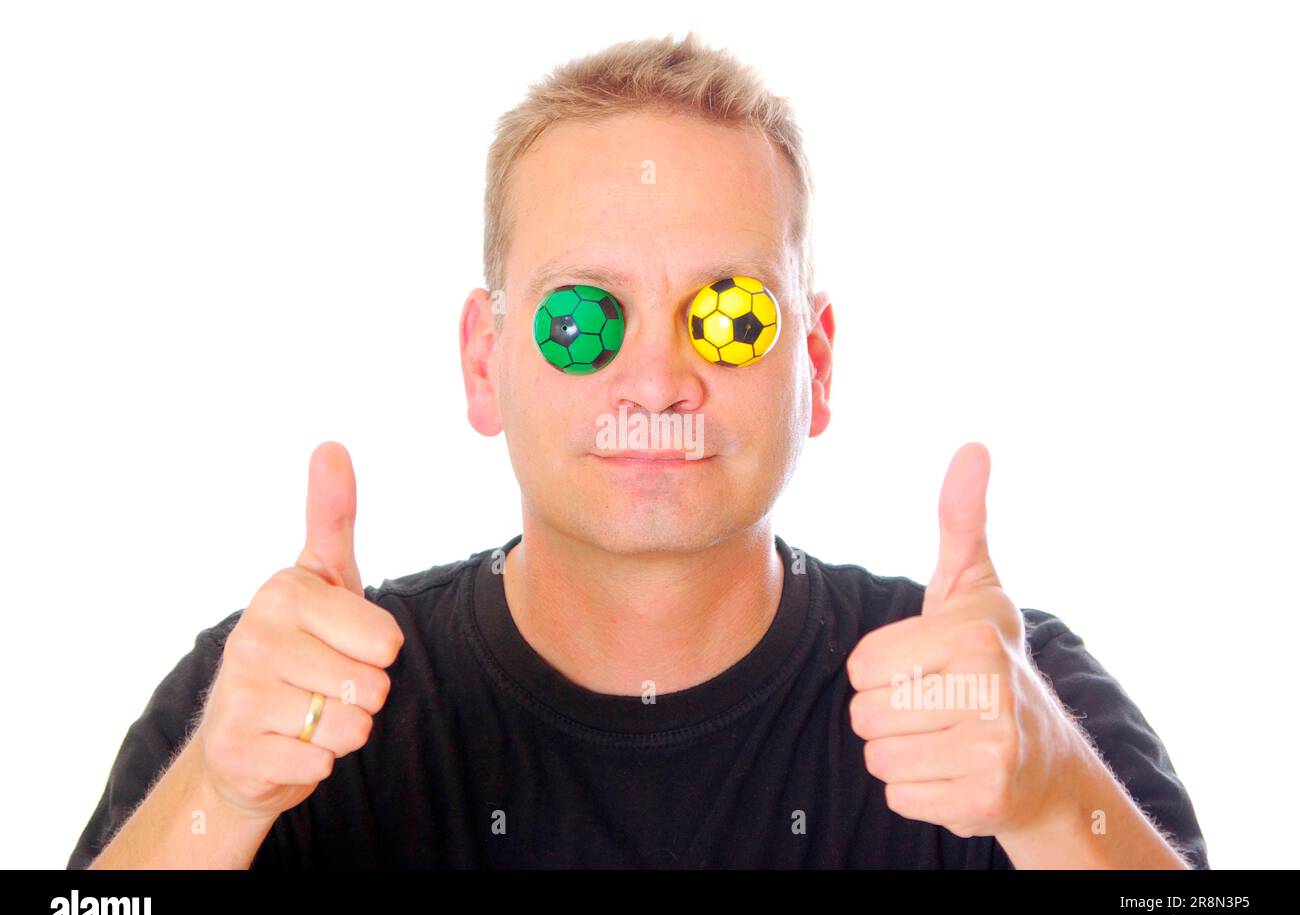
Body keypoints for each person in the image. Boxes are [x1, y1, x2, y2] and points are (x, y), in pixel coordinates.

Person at [69, 32, 1207, 869]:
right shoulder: (279, 695)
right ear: (484, 360)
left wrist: (1061, 805)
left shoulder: (1006, 700)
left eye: (729, 315)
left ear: (815, 364)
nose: (657, 381)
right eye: (581, 322)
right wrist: (215, 800)